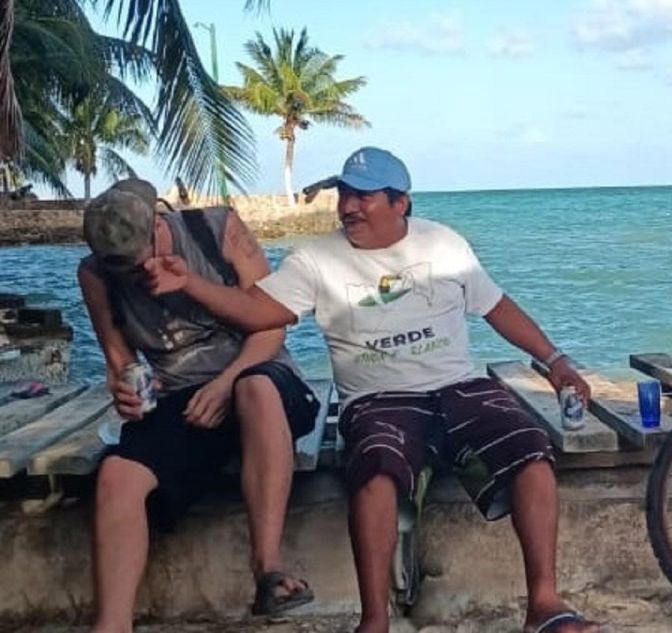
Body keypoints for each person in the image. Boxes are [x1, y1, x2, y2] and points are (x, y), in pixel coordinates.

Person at [145, 148, 603, 633]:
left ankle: (544, 605)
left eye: (363, 196)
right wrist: (190, 283)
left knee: (529, 446)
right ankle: (375, 621)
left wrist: (556, 362)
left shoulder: (443, 243)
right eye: (343, 193)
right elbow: (255, 311)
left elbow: (497, 307)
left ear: (400, 202)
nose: (348, 206)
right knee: (376, 468)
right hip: (379, 400)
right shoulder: (316, 260)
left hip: (460, 386)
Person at [78, 179, 321, 632]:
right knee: (117, 473)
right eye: (122, 268)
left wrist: (226, 382)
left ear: (156, 225)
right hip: (179, 396)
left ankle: (268, 569)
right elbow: (119, 358)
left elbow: (270, 326)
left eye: (136, 261)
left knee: (256, 390)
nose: (133, 274)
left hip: (257, 373)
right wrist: (127, 391)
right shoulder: (95, 274)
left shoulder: (216, 230)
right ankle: (111, 625)